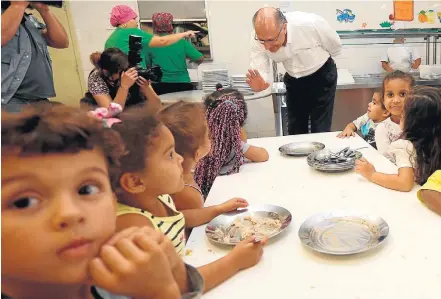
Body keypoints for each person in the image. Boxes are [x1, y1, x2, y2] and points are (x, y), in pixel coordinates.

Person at [1, 105, 204, 299]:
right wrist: (160, 293)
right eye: (24, 202)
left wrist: (175, 269)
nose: (70, 213)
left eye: (87, 189)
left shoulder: (116, 279)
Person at [111, 109, 268, 294]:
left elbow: (181, 217)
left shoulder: (158, 196)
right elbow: (176, 285)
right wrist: (235, 261)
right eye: (170, 154)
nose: (179, 158)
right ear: (136, 182)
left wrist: (218, 209)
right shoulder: (134, 226)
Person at [246, 7, 342, 135]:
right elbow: (261, 69)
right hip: (293, 79)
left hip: (321, 75)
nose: (267, 46)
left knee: (320, 128)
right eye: (262, 41)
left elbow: (335, 47)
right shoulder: (257, 37)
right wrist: (261, 84)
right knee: (295, 129)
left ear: (284, 28)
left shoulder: (310, 24)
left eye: (271, 40)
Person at [159, 101, 249, 235]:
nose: (212, 138)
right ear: (197, 153)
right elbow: (190, 228)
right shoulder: (187, 193)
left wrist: (220, 208)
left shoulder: (186, 175)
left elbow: (181, 217)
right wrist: (218, 209)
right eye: (208, 136)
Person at [355, 86, 441, 192]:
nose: (400, 116)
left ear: (414, 122)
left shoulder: (405, 146)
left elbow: (404, 183)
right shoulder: (435, 140)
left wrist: (372, 174)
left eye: (403, 114)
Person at [194, 86, 269, 198]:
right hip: (229, 194)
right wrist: (235, 128)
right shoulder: (234, 145)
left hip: (206, 196)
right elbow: (263, 155)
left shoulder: (199, 141)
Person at [1, 1, 69, 112]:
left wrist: (44, 10)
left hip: (40, 98)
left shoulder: (28, 19)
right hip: (10, 99)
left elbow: (61, 42)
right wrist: (18, 5)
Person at [105, 5, 198, 69]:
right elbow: (162, 41)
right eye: (133, 19)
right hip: (131, 78)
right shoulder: (131, 32)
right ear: (124, 22)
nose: (136, 22)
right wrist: (184, 34)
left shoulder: (112, 37)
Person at [84, 48, 161, 110]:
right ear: (106, 72)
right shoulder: (96, 78)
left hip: (131, 113)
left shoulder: (131, 71)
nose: (125, 73)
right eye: (120, 71)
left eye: (125, 69)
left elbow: (157, 106)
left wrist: (146, 88)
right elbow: (111, 113)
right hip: (105, 116)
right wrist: (124, 87)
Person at [148, 13, 204, 95]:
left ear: (154, 26)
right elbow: (200, 58)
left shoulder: (150, 43)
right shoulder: (181, 41)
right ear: (171, 25)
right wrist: (191, 63)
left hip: (160, 85)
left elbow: (147, 64)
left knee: (163, 107)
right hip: (182, 83)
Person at [375, 71, 415, 155]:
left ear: (414, 96)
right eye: (390, 95)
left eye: (402, 94)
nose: (396, 100)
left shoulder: (420, 122)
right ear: (383, 99)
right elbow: (386, 159)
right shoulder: (383, 128)